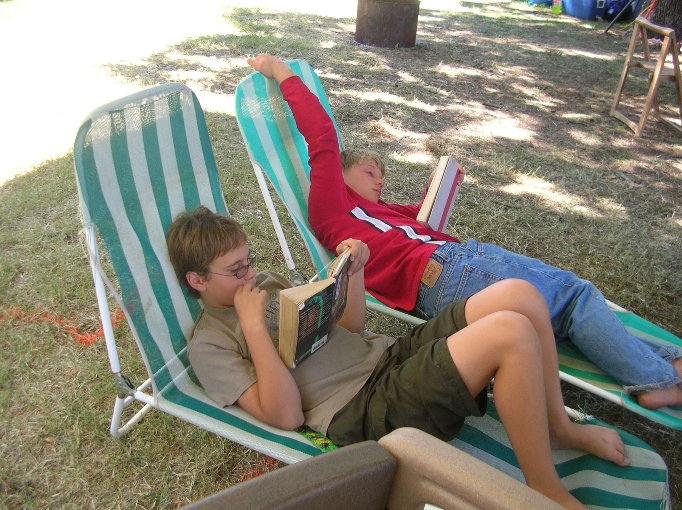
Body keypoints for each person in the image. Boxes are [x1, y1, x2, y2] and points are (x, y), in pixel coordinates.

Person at [247, 53, 682, 411]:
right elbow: (322, 134)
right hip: (444, 270)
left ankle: (664, 364)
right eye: (369, 172)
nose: (379, 180)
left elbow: (422, 217)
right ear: (339, 174)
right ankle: (657, 380)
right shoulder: (331, 207)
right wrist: (280, 71)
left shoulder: (376, 213)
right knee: (572, 295)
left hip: (460, 260)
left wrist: (441, 187)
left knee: (562, 304)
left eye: (381, 174)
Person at [167, 203, 629, 510]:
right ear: (197, 281)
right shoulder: (210, 345)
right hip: (366, 409)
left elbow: (349, 331)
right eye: (236, 270)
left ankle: (559, 429)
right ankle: (544, 492)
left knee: (519, 295)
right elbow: (286, 416)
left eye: (249, 261)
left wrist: (356, 274)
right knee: (510, 333)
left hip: (388, 358)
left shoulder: (266, 284)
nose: (251, 275)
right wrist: (253, 327)